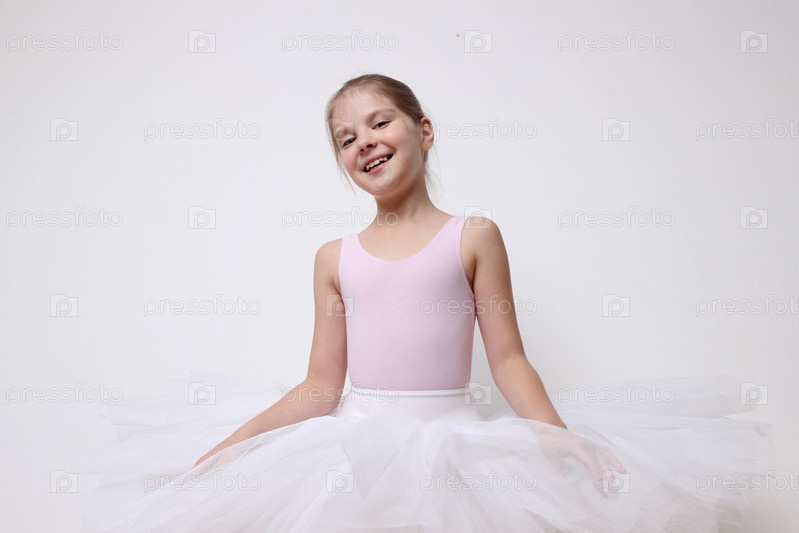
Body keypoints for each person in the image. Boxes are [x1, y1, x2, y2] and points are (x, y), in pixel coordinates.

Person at [76, 74, 774, 533]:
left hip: (455, 448)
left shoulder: (473, 236)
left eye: (378, 123)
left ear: (423, 129)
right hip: (351, 449)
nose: (364, 143)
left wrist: (553, 432)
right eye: (346, 139)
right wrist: (232, 447)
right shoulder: (333, 258)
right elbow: (320, 384)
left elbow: (508, 359)